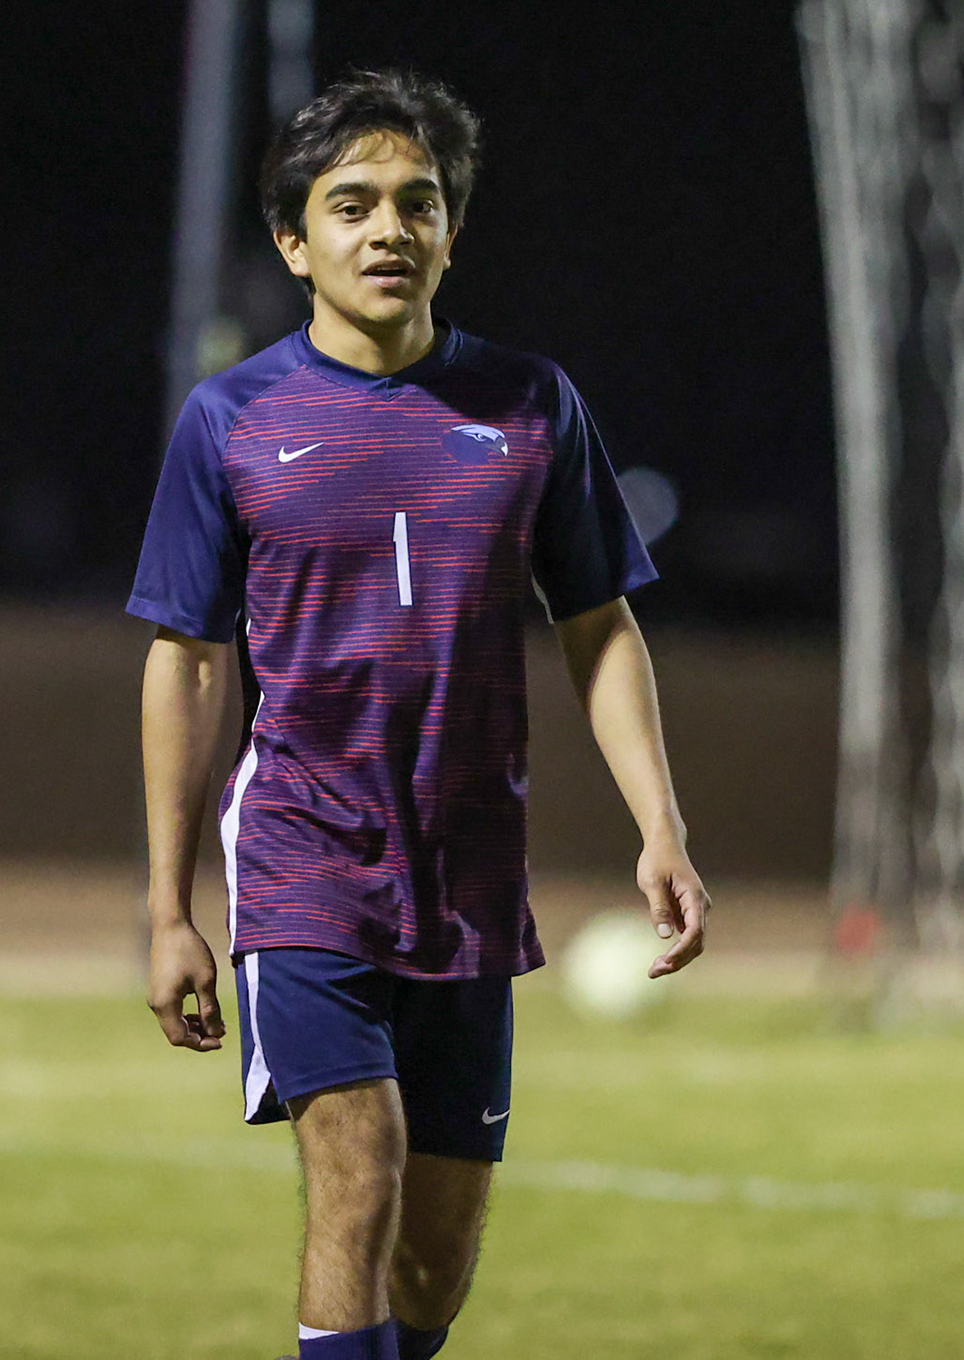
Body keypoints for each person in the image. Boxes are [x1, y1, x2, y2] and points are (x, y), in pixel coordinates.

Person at [130, 68, 708, 1360]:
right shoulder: (231, 421)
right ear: (296, 242)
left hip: (469, 878)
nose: (388, 227)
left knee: (437, 1263)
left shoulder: (531, 406)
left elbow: (599, 623)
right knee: (361, 1172)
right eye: (352, 205)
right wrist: (172, 908)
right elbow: (189, 660)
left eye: (417, 202)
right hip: (303, 859)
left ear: (451, 231)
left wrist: (659, 827)